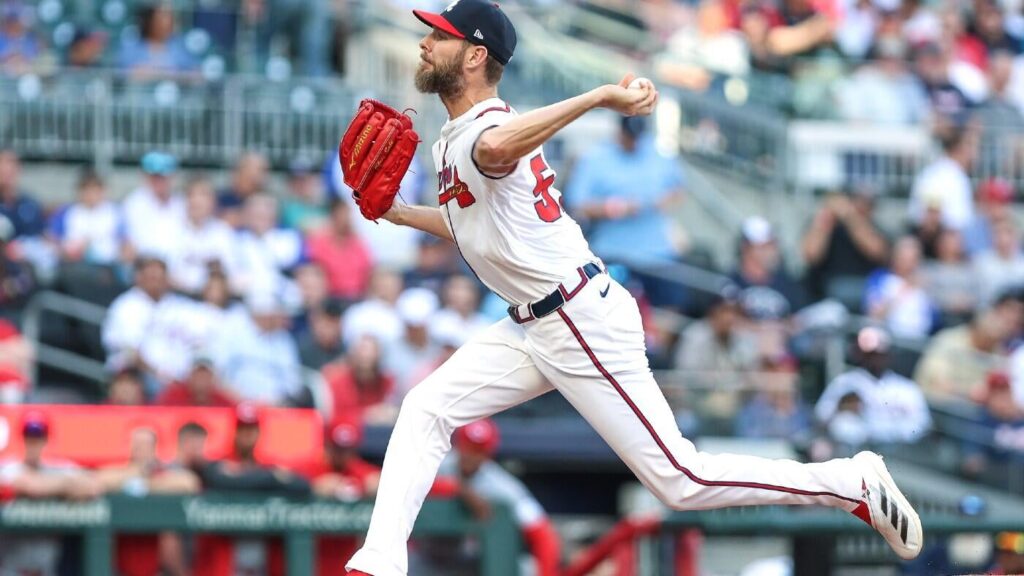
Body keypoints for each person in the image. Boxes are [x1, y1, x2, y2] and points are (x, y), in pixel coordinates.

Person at [343, 3, 923, 574]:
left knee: (681, 480)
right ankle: (379, 563)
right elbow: (471, 227)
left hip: (576, 317)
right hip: (533, 323)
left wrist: (597, 97)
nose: (425, 44)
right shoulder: (458, 136)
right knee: (426, 407)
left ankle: (848, 482)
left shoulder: (490, 128)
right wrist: (402, 213)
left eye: (440, 36)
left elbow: (494, 149)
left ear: (474, 56)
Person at [0, 413, 103, 575]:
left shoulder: (57, 467)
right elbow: (29, 485)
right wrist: (65, 487)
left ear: (46, 440)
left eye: (38, 438)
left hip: (47, 567)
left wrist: (52, 485)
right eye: (29, 438)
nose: (33, 444)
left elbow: (93, 486)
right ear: (23, 439)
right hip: (10, 567)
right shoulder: (10, 467)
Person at [815, 327, 932, 445]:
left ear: (888, 355)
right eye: (869, 355)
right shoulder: (845, 382)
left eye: (878, 354)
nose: (874, 359)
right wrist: (840, 408)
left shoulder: (906, 388)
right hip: (854, 449)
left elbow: (922, 424)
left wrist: (888, 432)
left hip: (898, 449)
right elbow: (822, 415)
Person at [915, 290, 1023, 401]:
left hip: (976, 411)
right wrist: (970, 394)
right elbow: (937, 385)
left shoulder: (999, 354)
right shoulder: (949, 340)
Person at [308, 421, 382, 576]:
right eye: (338, 449)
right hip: (314, 556)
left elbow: (377, 479)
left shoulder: (357, 469)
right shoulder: (312, 468)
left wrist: (372, 485)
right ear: (327, 446)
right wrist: (311, 487)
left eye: (348, 450)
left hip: (344, 559)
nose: (343, 455)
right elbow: (286, 479)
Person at [801, 187, 889, 305]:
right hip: (822, 292)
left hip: (861, 291)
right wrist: (826, 217)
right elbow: (811, 256)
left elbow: (876, 251)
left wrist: (850, 216)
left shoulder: (876, 229)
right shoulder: (825, 225)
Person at [167, 175, 239, 296]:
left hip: (216, 299)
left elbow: (233, 273)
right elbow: (167, 275)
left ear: (213, 201)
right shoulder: (171, 229)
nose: (197, 201)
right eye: (191, 195)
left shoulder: (223, 232)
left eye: (203, 195)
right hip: (178, 297)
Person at [863, 235, 936, 338]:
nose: (910, 264)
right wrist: (904, 290)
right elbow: (874, 315)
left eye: (913, 259)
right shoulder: (880, 278)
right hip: (890, 339)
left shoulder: (925, 283)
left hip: (922, 340)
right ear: (894, 257)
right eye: (905, 259)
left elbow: (936, 319)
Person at [907, 127, 979, 232]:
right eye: (971, 146)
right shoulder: (939, 174)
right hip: (941, 236)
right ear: (959, 148)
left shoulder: (956, 173)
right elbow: (930, 217)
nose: (975, 153)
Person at [49, 169, 124, 266]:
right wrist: (65, 249)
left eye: (95, 189)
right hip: (73, 264)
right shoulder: (67, 212)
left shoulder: (115, 213)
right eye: (87, 190)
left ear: (103, 191)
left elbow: (125, 241)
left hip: (108, 265)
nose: (91, 195)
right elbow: (52, 239)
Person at [122, 151, 186, 261]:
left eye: (163, 177)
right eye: (155, 177)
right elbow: (128, 244)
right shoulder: (133, 204)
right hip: (145, 264)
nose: (159, 181)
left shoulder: (181, 203)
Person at [306, 198, 374, 300]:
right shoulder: (319, 242)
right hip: (330, 297)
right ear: (333, 217)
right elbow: (315, 271)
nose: (346, 219)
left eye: (348, 215)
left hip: (358, 296)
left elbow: (368, 269)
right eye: (342, 215)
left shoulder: (358, 242)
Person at [118, 3, 197, 77]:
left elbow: (194, 74)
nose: (169, 21)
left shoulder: (179, 46)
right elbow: (122, 74)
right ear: (150, 20)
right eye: (163, 16)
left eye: (170, 16)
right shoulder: (132, 46)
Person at [157, 355, 238, 407]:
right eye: (198, 376)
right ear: (190, 377)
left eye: (206, 376)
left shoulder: (224, 401)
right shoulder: (172, 397)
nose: (201, 382)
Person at [0, 149, 44, 240]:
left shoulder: (30, 203)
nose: (8, 173)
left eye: (12, 169)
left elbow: (41, 235)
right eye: (4, 170)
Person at [217, 152, 269, 229]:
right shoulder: (222, 199)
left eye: (263, 171)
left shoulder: (269, 199)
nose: (257, 176)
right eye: (256, 169)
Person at [299, 298, 348, 370]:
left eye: (335, 325)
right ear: (314, 322)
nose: (332, 330)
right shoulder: (300, 348)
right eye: (327, 325)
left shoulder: (344, 349)